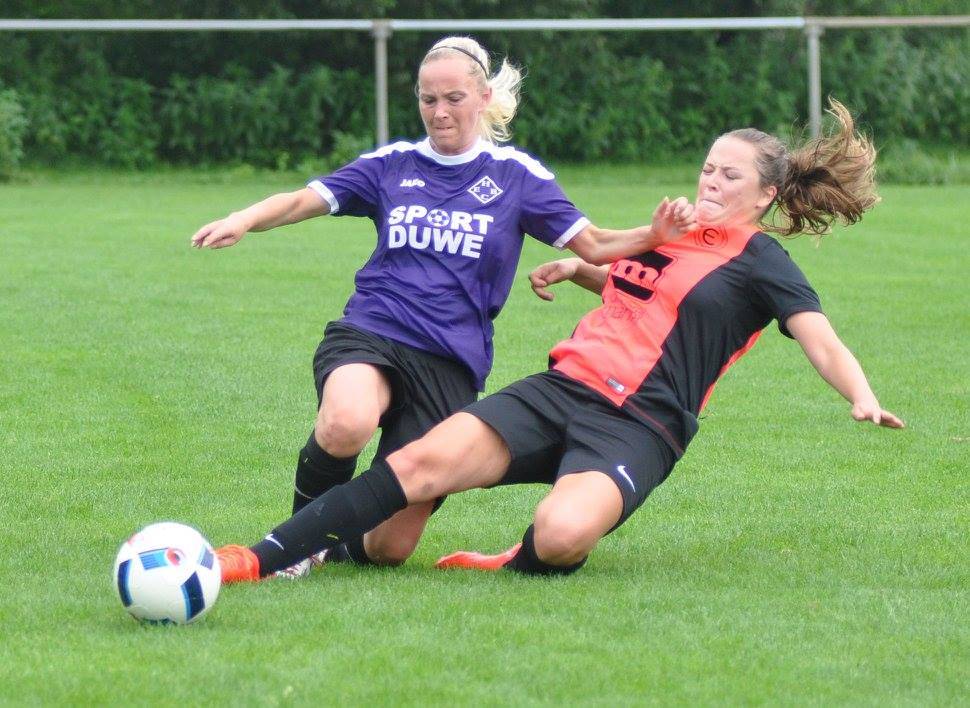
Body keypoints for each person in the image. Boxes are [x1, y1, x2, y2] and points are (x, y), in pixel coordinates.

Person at [215, 98, 904, 582]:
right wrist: (579, 270)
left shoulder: (761, 260)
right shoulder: (672, 232)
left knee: (561, 534)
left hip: (642, 425)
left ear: (765, 195)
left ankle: (515, 560)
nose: (712, 181)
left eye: (731, 175)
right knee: (419, 465)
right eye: (708, 168)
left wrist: (861, 394)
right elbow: (637, 290)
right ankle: (259, 558)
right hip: (561, 389)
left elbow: (819, 339)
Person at [191, 36, 694, 575]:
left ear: (483, 98)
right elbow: (300, 200)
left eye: (453, 98)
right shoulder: (391, 165)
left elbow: (593, 244)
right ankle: (296, 549)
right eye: (428, 100)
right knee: (346, 421)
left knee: (389, 549)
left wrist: (653, 235)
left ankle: (335, 542)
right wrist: (243, 219)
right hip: (375, 329)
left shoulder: (517, 176)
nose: (439, 112)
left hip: (451, 361)